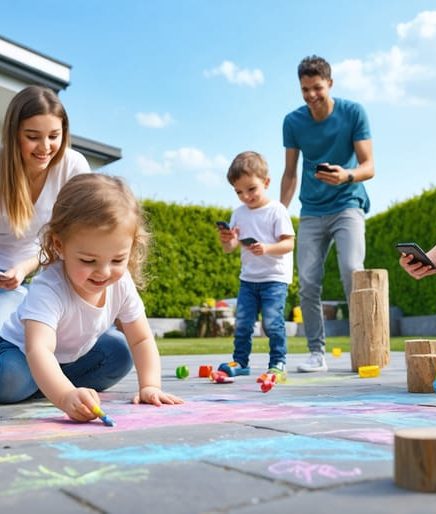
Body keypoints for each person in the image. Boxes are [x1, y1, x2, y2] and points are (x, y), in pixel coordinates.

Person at [0, 173, 183, 421]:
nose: (104, 272)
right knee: (12, 378)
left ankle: (51, 384)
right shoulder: (49, 288)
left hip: (65, 359)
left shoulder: (121, 282)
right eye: (88, 260)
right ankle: (53, 386)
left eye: (118, 259)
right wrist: (65, 397)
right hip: (20, 353)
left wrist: (150, 386)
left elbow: (140, 339)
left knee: (119, 353)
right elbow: (39, 350)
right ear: (59, 245)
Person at [280, 55, 375, 372]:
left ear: (329, 84)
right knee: (307, 281)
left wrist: (345, 175)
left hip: (348, 203)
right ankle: (316, 353)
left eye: (317, 88)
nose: (311, 95)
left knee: (352, 270)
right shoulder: (293, 122)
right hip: (312, 210)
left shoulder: (353, 112)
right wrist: (279, 213)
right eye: (305, 89)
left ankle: (363, 348)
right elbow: (290, 173)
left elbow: (369, 166)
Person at [0, 85, 90, 328]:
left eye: (53, 136)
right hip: (3, 282)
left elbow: (76, 237)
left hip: (52, 277)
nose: (45, 147)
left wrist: (26, 266)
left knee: (116, 354)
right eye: (32, 137)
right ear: (14, 134)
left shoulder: (73, 167)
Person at [217, 151, 295, 379]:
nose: (246, 196)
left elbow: (289, 243)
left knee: (272, 323)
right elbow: (230, 247)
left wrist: (267, 248)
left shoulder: (277, 210)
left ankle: (278, 363)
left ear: (266, 182)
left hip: (274, 279)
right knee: (242, 324)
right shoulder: (238, 213)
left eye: (251, 189)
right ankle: (240, 362)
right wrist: (227, 240)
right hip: (248, 279)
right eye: (239, 192)